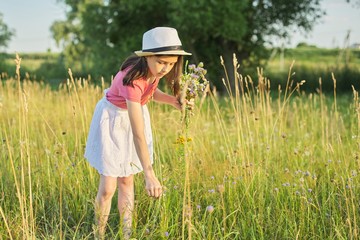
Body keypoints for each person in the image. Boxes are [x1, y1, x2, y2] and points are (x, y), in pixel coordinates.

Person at [84, 27, 191, 239]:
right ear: (147, 57)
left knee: (127, 180)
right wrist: (149, 174)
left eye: (171, 63)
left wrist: (172, 100)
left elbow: (150, 92)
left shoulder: (154, 72)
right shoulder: (132, 79)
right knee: (108, 187)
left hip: (132, 115)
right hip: (113, 121)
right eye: (161, 62)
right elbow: (138, 133)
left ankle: (126, 234)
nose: (165, 69)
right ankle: (99, 234)